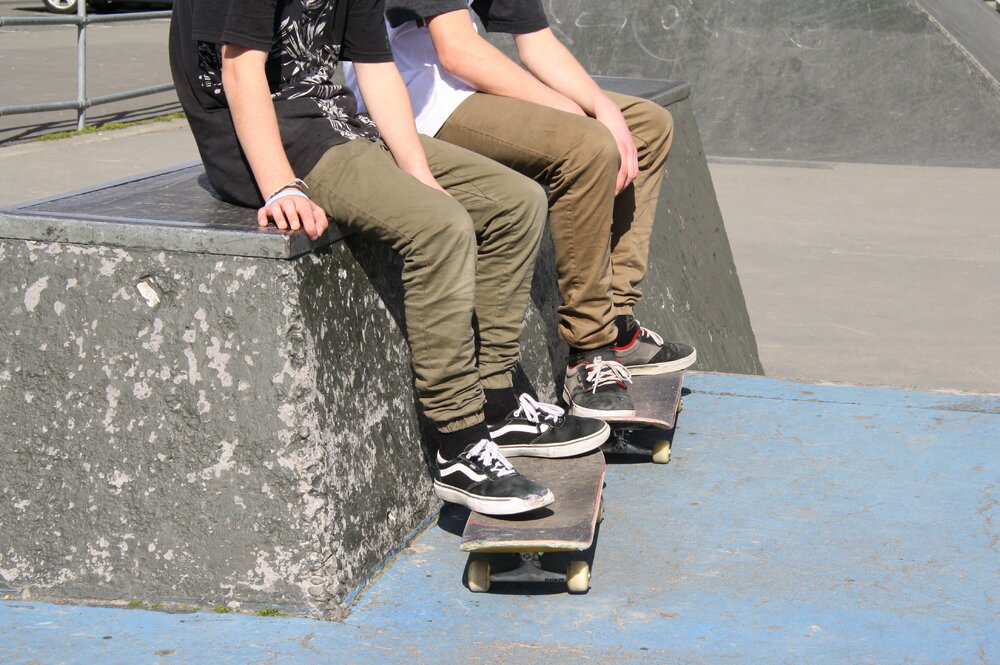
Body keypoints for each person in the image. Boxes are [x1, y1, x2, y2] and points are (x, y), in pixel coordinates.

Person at [168, 0, 608, 516]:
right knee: (440, 228)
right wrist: (280, 187)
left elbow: (375, 68)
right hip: (272, 148)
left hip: (336, 124)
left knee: (513, 203)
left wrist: (420, 175)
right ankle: (459, 441)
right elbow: (239, 69)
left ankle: (497, 398)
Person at [345, 0, 698, 420]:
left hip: (464, 85)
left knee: (645, 125)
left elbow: (537, 43)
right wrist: (576, 115)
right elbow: (457, 50)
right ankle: (590, 348)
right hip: (416, 101)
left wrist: (602, 107)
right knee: (586, 146)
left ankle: (617, 320)